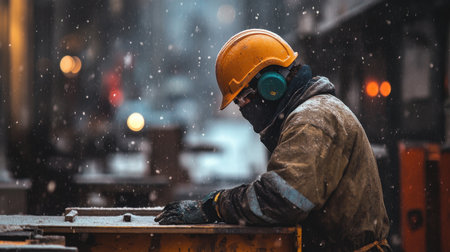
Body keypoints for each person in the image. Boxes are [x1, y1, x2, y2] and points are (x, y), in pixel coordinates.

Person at [155, 29, 391, 252]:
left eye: (244, 99)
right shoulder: (311, 113)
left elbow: (282, 200)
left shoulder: (311, 120)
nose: (243, 109)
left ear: (270, 86)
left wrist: (216, 205)